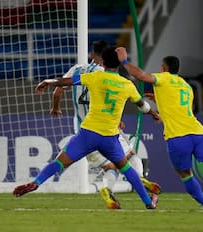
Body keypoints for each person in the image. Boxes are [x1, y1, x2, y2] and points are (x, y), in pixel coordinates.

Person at [13, 46, 159, 209]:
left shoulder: (95, 77)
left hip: (87, 134)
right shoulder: (127, 85)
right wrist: (153, 113)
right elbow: (142, 105)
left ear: (102, 62)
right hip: (109, 138)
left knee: (59, 162)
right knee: (126, 168)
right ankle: (148, 202)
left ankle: (35, 182)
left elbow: (64, 82)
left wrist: (47, 82)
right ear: (119, 63)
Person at [116, 47, 203, 206]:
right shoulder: (186, 86)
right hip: (198, 133)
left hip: (178, 136)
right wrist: (158, 100)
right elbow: (179, 109)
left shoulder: (164, 78)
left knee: (185, 174)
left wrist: (124, 61)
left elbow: (140, 76)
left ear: (164, 68)